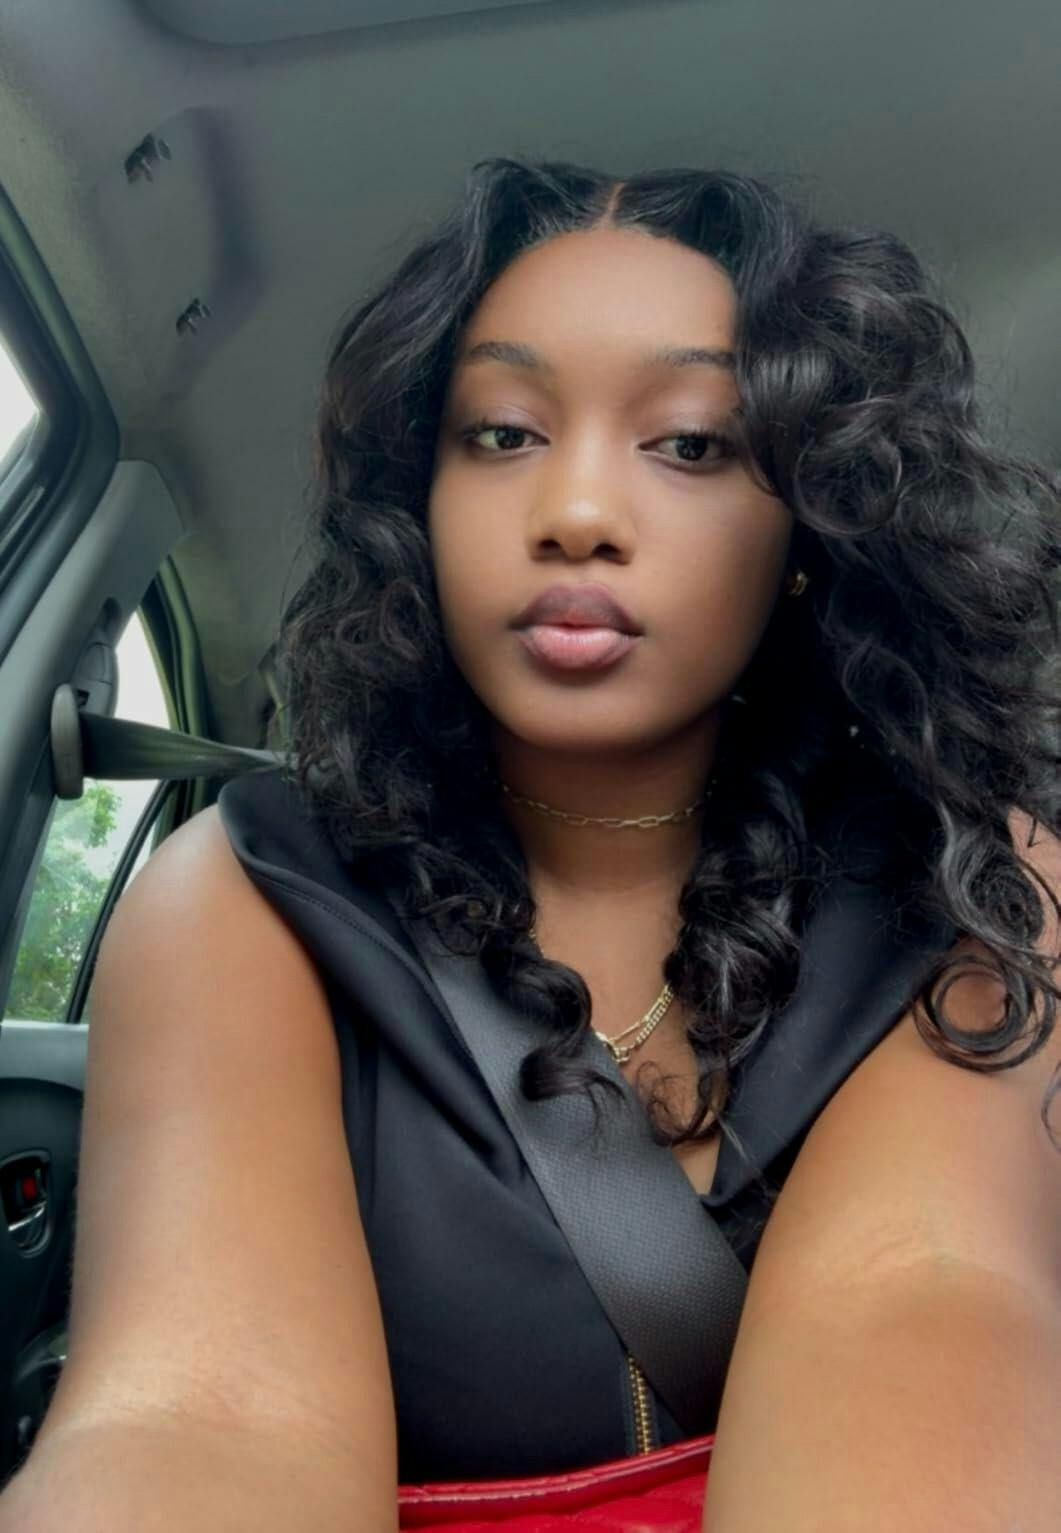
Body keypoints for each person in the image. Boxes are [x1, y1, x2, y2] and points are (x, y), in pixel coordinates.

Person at [8, 160, 1059, 1531]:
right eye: (502, 433)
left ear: (809, 519)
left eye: (691, 444)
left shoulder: (973, 882)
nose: (574, 512)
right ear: (421, 500)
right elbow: (201, 1415)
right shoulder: (242, 898)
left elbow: (923, 1310)